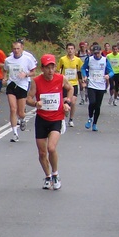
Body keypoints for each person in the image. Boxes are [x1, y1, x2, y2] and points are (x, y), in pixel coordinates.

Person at [26, 54, 74, 190]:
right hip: (42, 119)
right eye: (48, 68)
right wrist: (36, 103)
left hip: (56, 118)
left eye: (52, 67)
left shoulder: (60, 78)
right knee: (42, 153)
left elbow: (70, 88)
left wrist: (67, 102)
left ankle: (55, 174)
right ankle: (47, 176)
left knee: (51, 148)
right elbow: (28, 99)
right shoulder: (36, 81)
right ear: (42, 68)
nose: (51, 70)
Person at [3, 41, 38, 141]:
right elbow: (5, 70)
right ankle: (15, 133)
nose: (16, 51)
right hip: (11, 85)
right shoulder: (8, 60)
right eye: (14, 49)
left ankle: (22, 119)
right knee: (13, 109)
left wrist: (26, 74)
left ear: (22, 48)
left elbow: (33, 72)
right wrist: (4, 78)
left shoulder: (27, 59)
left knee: (21, 112)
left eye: (18, 49)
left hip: (22, 85)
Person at [81, 42, 113, 131]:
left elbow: (111, 72)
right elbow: (83, 68)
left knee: (98, 106)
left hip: (101, 85)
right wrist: (85, 75)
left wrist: (108, 76)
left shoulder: (105, 60)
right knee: (92, 102)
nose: (96, 55)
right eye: (94, 53)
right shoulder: (89, 59)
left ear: (100, 52)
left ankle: (95, 123)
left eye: (98, 53)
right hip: (91, 84)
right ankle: (90, 118)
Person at [57, 44, 84, 127]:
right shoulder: (62, 59)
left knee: (72, 102)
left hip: (74, 84)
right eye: (68, 49)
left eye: (72, 49)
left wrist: (81, 82)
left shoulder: (78, 60)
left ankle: (71, 119)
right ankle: (63, 119)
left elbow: (79, 72)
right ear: (66, 50)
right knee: (65, 102)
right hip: (65, 84)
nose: (70, 50)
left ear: (74, 50)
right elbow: (59, 70)